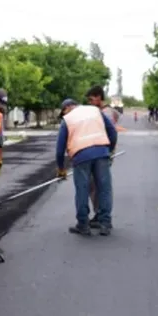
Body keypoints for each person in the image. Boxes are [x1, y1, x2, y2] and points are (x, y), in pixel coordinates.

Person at [56, 98, 118, 236]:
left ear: (67, 108)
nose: (63, 115)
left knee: (82, 189)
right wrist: (109, 150)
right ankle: (105, 224)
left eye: (63, 112)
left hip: (81, 156)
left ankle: (83, 225)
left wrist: (61, 169)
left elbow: (59, 150)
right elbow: (112, 132)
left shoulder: (67, 119)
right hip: (102, 153)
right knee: (104, 188)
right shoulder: (95, 110)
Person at [84, 85, 121, 228]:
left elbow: (112, 133)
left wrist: (109, 151)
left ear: (99, 97)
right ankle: (100, 214)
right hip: (98, 153)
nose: (90, 102)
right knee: (95, 185)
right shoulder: (102, 112)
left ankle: (103, 216)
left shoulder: (106, 113)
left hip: (103, 154)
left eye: (91, 99)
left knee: (99, 185)